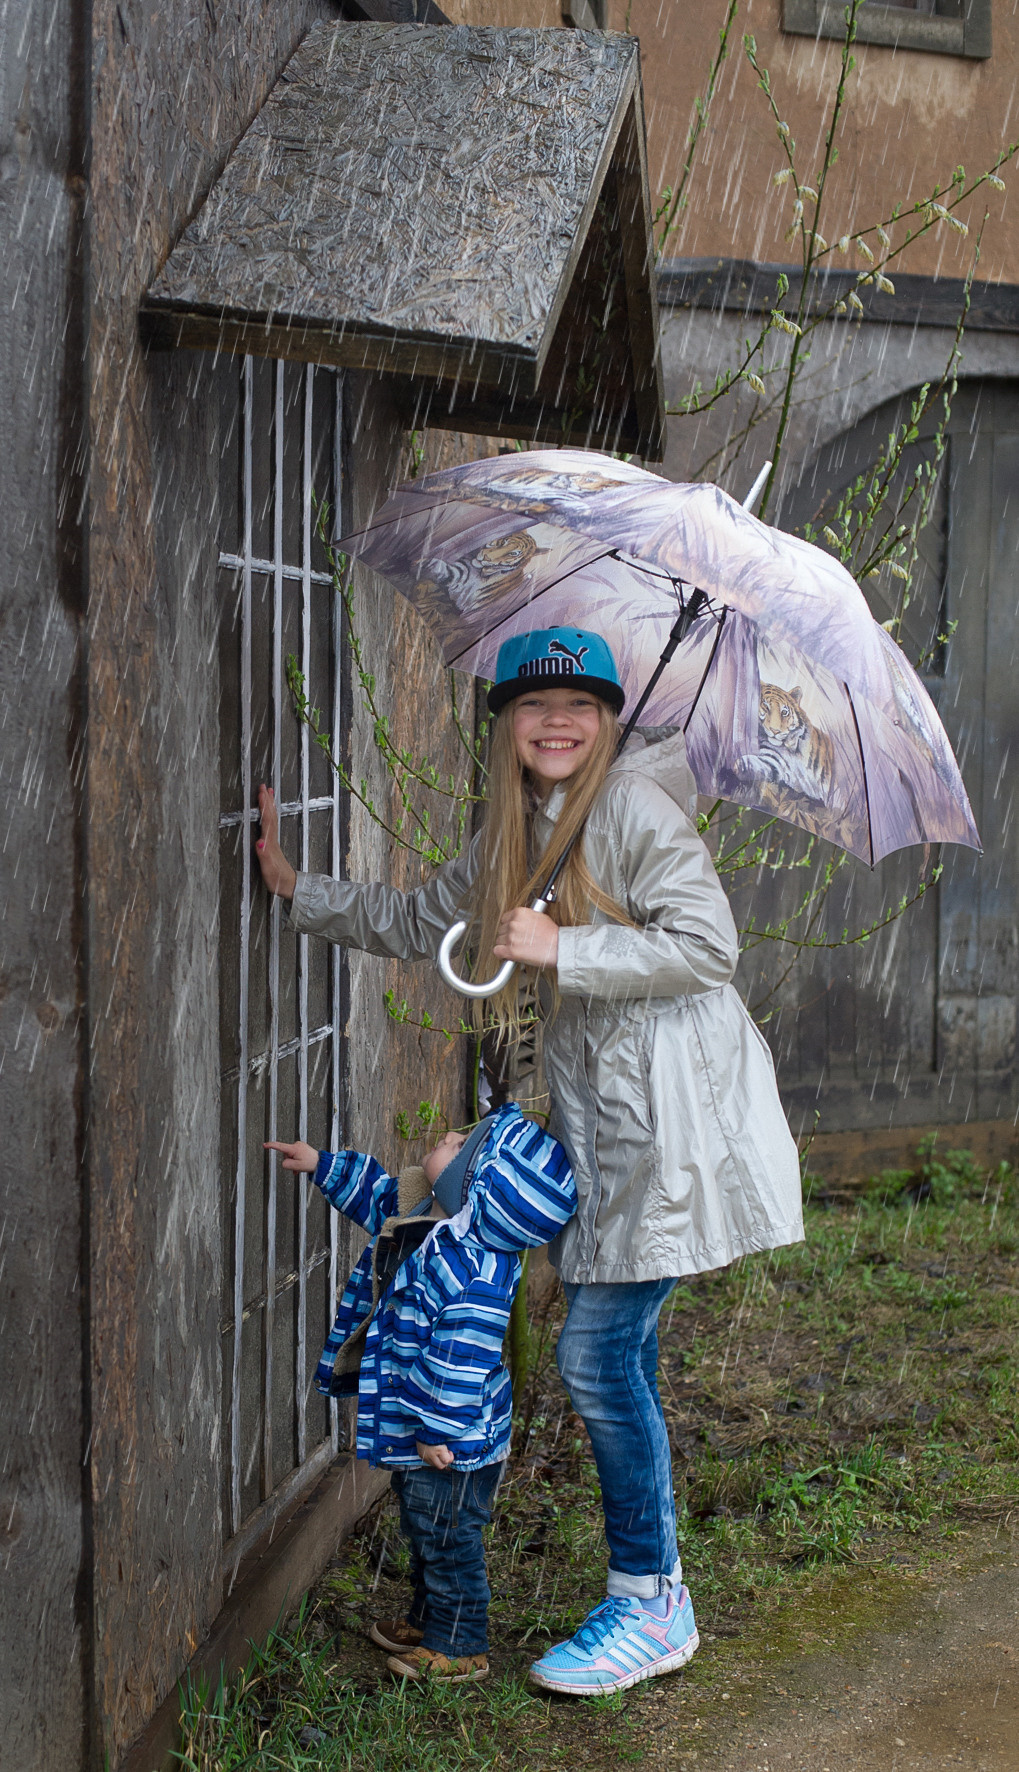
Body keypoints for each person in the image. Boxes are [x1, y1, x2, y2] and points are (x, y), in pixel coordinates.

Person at [255, 624, 803, 1696]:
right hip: (607, 1126)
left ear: (607, 722)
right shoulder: (520, 828)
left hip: (675, 1122)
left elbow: (710, 947)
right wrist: (292, 888)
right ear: (507, 723)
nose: (557, 723)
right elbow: (419, 919)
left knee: (598, 1353)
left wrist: (566, 947)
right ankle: (655, 1584)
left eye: (581, 706)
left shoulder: (636, 811)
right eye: (535, 705)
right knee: (616, 1351)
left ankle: (651, 1601)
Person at [265, 1101, 575, 1685]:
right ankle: (431, 1619)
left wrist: (438, 1433)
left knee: (448, 1535)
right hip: (430, 1432)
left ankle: (461, 1643)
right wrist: (321, 1165)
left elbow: (460, 1360)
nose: (451, 1135)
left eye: (463, 1146)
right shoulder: (437, 1221)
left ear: (471, 1187)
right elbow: (380, 1196)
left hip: (451, 1440)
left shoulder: (471, 1271)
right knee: (424, 1525)